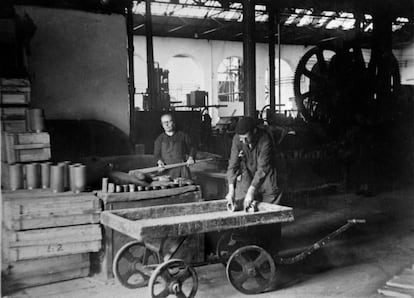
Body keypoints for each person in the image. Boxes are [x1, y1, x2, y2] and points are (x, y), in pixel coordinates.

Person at [225, 116, 282, 253]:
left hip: (267, 178)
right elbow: (232, 166)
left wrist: (251, 192)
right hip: (249, 175)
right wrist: (231, 191)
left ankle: (272, 254)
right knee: (247, 212)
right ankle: (251, 250)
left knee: (270, 219)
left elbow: (263, 169)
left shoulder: (265, 140)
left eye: (246, 137)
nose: (243, 141)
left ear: (254, 131)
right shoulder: (238, 139)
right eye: (240, 138)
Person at [154, 113, 196, 179]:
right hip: (166, 169)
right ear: (162, 125)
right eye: (164, 122)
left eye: (169, 121)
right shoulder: (159, 139)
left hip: (181, 169)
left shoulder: (183, 136)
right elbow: (157, 155)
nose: (167, 124)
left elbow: (192, 148)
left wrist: (191, 157)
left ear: (174, 123)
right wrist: (159, 162)